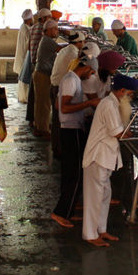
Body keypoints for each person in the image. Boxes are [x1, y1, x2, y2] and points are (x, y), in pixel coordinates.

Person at [81, 74, 138, 247]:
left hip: (107, 157)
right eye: (130, 93)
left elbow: (120, 130)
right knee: (94, 196)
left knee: (105, 195)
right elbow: (117, 133)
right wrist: (132, 136)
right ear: (121, 91)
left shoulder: (114, 103)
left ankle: (101, 229)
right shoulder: (108, 105)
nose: (131, 96)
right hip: (98, 156)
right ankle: (90, 234)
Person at [51, 61, 99, 228]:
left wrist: (81, 112)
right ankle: (60, 212)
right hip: (71, 130)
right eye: (92, 71)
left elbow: (58, 105)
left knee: (69, 172)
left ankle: (68, 210)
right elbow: (63, 107)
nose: (92, 75)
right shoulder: (72, 80)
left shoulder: (70, 78)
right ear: (86, 67)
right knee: (76, 173)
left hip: (69, 127)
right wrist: (88, 104)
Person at [32, 19, 59, 138]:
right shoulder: (47, 41)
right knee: (44, 104)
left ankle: (39, 126)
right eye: (55, 29)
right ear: (47, 30)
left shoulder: (47, 40)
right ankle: (44, 130)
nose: (56, 31)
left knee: (40, 103)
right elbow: (60, 49)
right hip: (43, 75)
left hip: (40, 73)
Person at [14, 9, 34, 104]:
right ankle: (24, 98)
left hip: (22, 56)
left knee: (22, 79)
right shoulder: (26, 29)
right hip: (24, 56)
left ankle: (23, 97)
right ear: (30, 18)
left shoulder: (23, 27)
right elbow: (29, 44)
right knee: (24, 79)